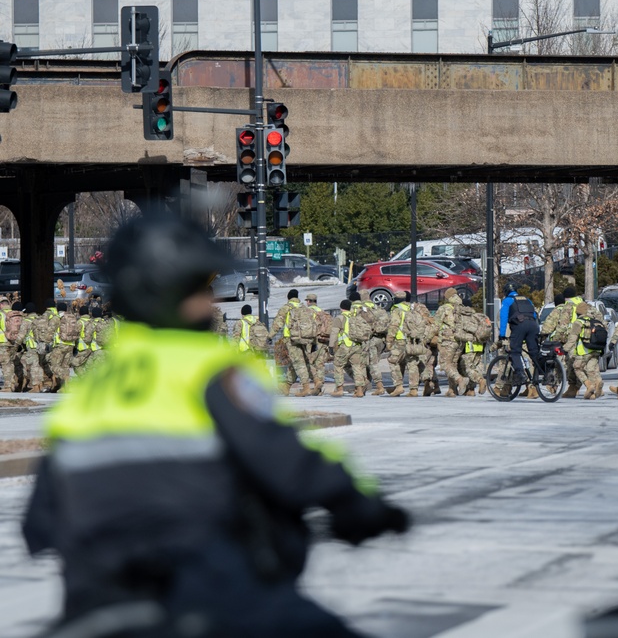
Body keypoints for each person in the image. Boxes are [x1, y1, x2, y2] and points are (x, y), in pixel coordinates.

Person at [21, 212, 408, 638]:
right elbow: (284, 460)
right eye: (197, 289)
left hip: (94, 600)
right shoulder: (209, 366)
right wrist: (357, 502)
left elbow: (39, 522)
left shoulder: (90, 390)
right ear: (163, 294)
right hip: (205, 584)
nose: (209, 301)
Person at [498, 283, 539, 397]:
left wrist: (501, 334)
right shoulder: (527, 299)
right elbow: (534, 315)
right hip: (533, 325)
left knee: (515, 351)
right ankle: (544, 373)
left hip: (519, 326)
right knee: (534, 352)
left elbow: (504, 317)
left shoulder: (507, 301)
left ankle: (520, 374)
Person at [567, 301, 603, 399]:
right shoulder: (593, 321)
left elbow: (572, 339)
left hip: (584, 351)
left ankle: (589, 385)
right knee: (592, 369)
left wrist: (564, 348)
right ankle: (596, 386)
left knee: (577, 367)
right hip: (596, 350)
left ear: (578, 312)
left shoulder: (578, 322)